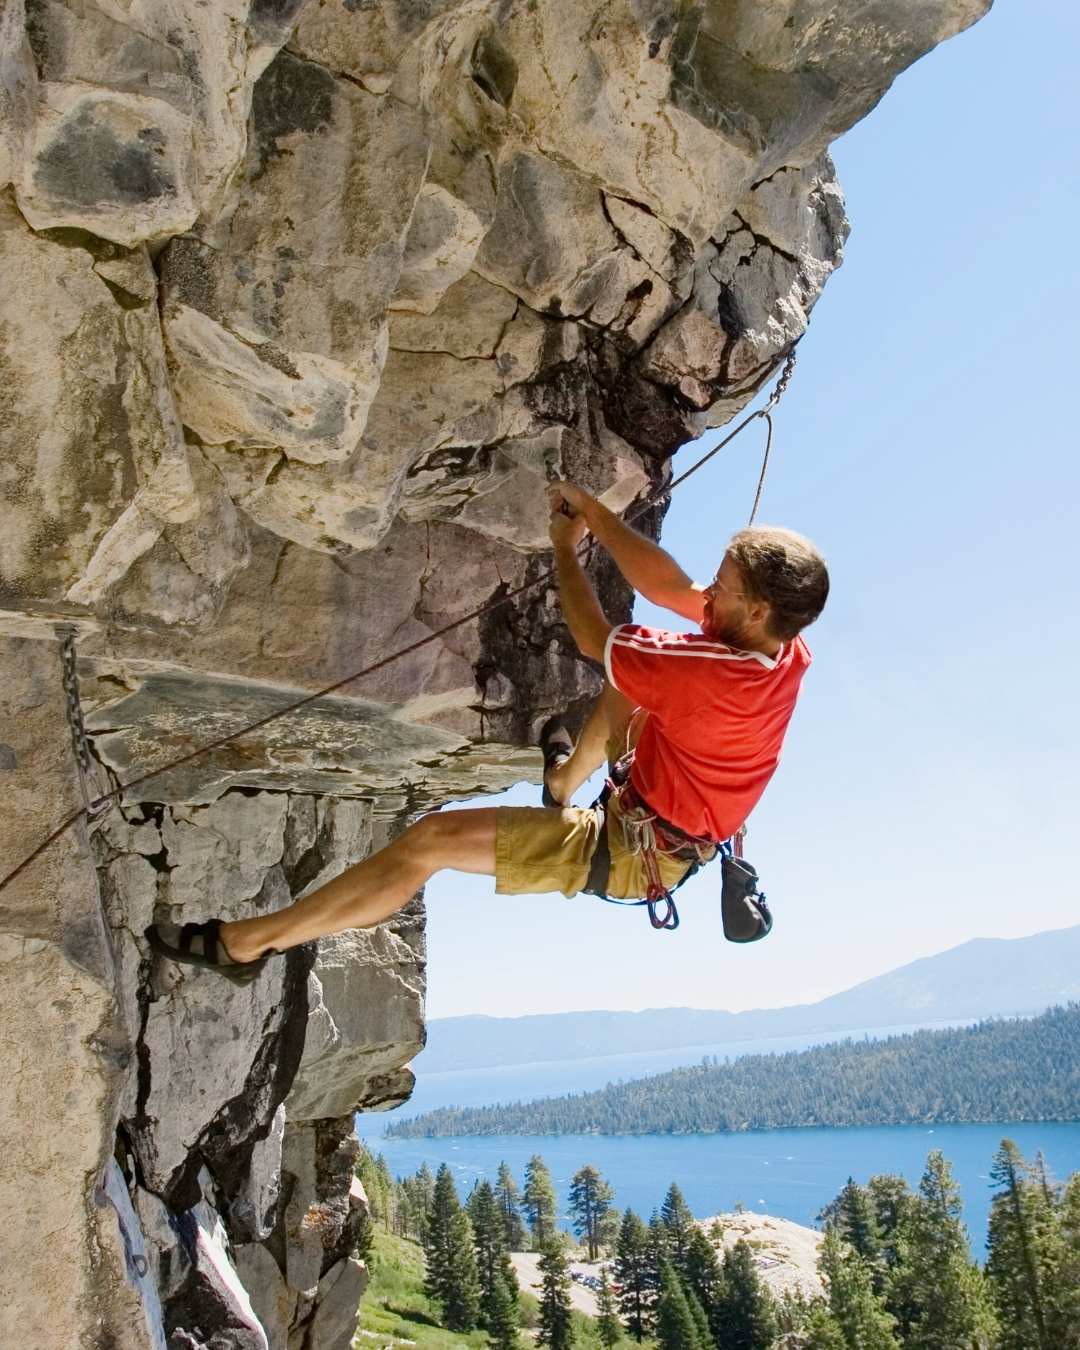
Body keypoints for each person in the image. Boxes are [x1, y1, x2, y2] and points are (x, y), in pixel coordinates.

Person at [146, 481, 829, 982]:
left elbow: (594, 637)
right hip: (668, 815)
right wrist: (593, 510)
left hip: (631, 853)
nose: (708, 595)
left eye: (725, 588)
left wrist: (566, 547)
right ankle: (563, 780)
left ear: (760, 608)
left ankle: (247, 945)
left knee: (429, 843)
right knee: (635, 671)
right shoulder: (785, 648)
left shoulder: (710, 674)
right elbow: (672, 588)